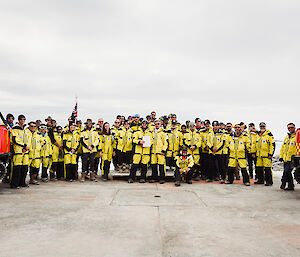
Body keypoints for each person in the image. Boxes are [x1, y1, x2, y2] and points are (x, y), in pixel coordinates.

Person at [10, 115, 32, 189]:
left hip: (25, 152)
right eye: (21, 119)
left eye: (24, 119)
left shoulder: (26, 129)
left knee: (25, 168)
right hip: (18, 151)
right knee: (17, 168)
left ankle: (22, 182)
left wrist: (27, 147)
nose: (22, 120)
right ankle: (14, 184)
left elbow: (29, 138)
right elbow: (15, 139)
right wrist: (24, 145)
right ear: (18, 120)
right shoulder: (15, 129)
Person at [279, 123, 297, 190]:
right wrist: (281, 156)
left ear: (294, 128)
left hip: (292, 159)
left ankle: (283, 183)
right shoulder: (287, 137)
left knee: (286, 172)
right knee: (288, 173)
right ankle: (290, 186)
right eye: (288, 128)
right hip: (285, 158)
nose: (290, 129)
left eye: (291, 127)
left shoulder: (297, 137)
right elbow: (283, 147)